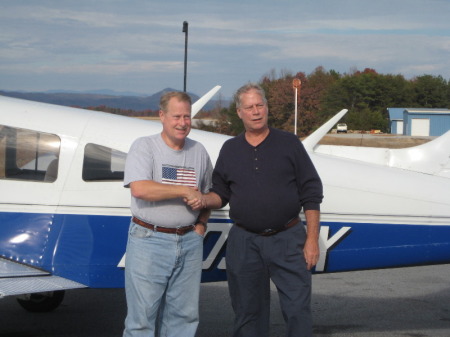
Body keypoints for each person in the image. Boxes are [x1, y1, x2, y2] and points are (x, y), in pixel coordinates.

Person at [189, 83, 323, 337]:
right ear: (239, 112)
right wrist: (203, 200)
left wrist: (312, 239)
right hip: (244, 241)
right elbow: (221, 194)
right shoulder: (230, 149)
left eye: (260, 105)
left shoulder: (289, 143)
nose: (256, 111)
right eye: (249, 107)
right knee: (247, 313)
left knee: (297, 310)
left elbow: (311, 192)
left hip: (288, 238)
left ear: (267, 108)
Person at [122, 91, 212, 337]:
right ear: (162, 116)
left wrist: (201, 225)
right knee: (141, 321)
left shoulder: (199, 151)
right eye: (176, 116)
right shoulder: (144, 146)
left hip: (189, 241)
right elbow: (140, 188)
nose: (182, 123)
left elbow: (207, 195)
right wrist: (182, 191)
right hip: (149, 240)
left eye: (187, 116)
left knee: (184, 318)